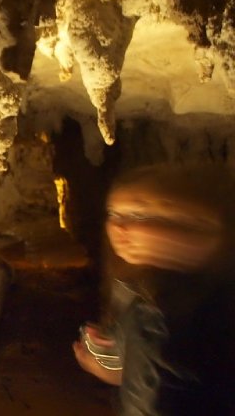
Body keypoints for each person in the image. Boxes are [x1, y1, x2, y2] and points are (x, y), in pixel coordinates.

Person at [73, 164, 235, 415]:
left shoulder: (206, 313)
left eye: (139, 215)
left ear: (198, 223)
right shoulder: (144, 296)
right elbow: (147, 373)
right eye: (114, 213)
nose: (118, 228)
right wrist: (111, 363)